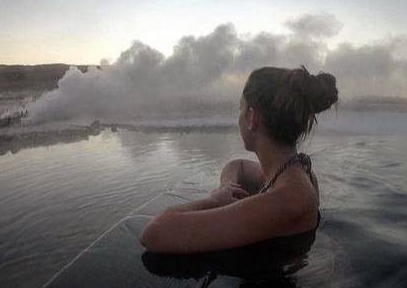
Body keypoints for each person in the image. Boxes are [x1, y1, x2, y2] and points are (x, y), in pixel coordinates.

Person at [140, 66, 339, 253]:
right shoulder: (293, 173)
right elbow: (237, 165)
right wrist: (227, 186)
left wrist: (213, 201)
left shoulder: (286, 200)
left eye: (240, 107)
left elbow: (154, 233)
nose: (239, 116)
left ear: (252, 117)